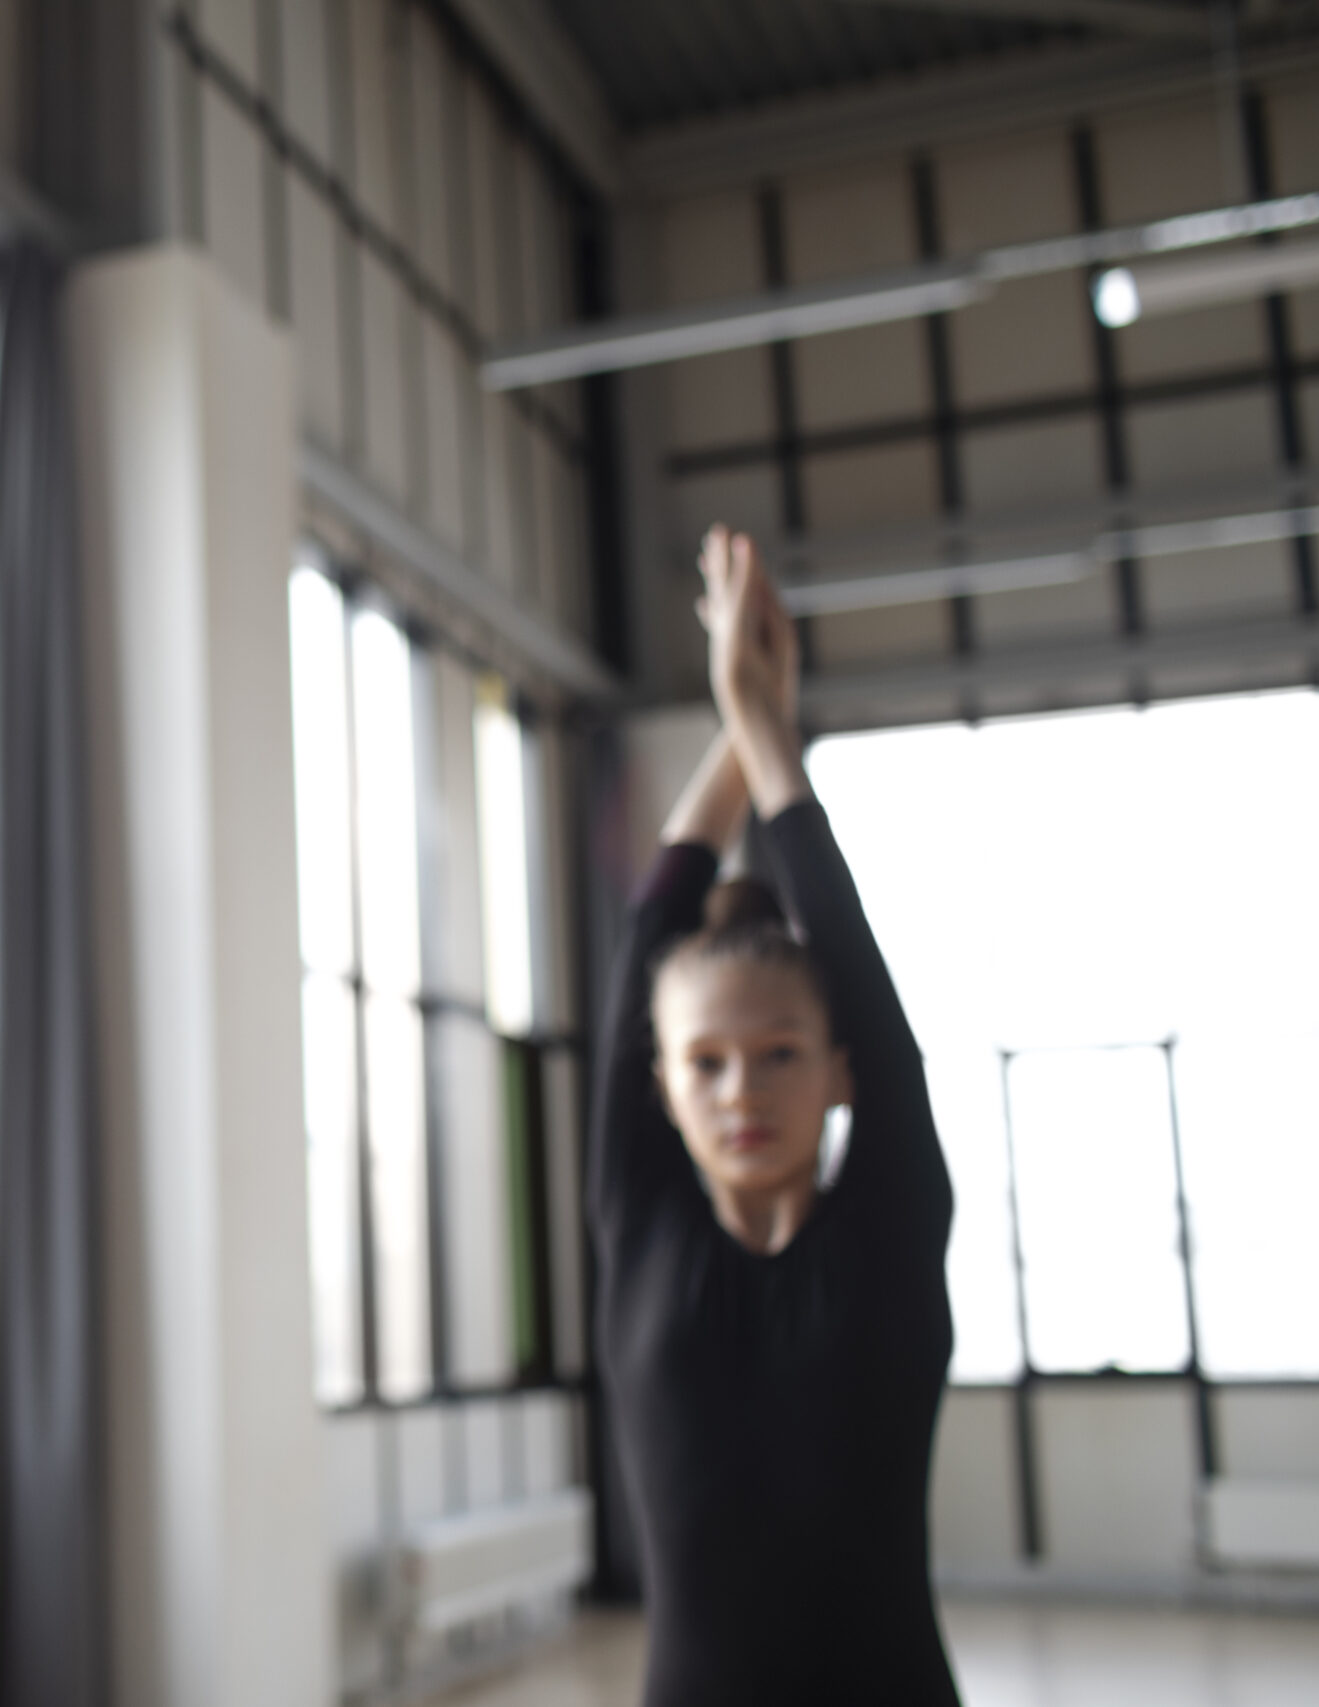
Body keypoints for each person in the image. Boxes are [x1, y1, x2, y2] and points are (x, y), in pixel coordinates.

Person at [590, 527, 959, 1705]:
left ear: (841, 1070)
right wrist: (749, 720)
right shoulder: (640, 1226)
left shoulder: (894, 1228)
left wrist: (758, 723)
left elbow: (850, 961)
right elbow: (650, 931)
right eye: (704, 1064)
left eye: (779, 1054)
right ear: (660, 1087)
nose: (740, 1090)